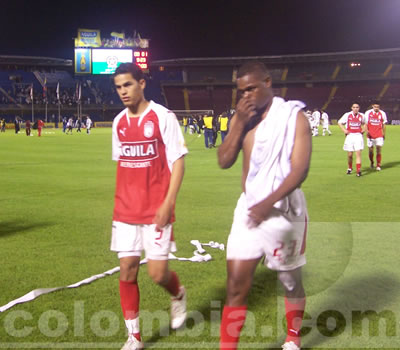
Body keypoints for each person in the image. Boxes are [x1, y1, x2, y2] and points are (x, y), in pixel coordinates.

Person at [217, 61, 311, 350]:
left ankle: (293, 339)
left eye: (251, 88)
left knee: (290, 282)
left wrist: (267, 203)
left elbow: (300, 170)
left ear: (268, 82)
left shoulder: (294, 118)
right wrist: (239, 124)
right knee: (235, 286)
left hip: (283, 214)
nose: (246, 95)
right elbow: (224, 160)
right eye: (241, 91)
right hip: (248, 210)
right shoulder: (242, 118)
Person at [111, 62, 188, 350]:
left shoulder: (163, 117)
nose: (123, 91)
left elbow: (178, 162)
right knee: (127, 269)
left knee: (157, 274)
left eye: (128, 84)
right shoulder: (119, 122)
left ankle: (178, 293)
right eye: (119, 87)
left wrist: (169, 202)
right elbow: (124, 165)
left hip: (157, 207)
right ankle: (134, 337)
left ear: (142, 83)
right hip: (125, 210)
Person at [338, 103, 365, 177]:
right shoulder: (347, 115)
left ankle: (358, 171)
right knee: (350, 155)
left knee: (358, 153)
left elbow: (366, 123)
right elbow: (339, 122)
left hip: (358, 136)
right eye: (354, 107)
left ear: (359, 108)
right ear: (351, 108)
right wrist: (344, 130)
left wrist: (364, 129)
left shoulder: (362, 115)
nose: (355, 108)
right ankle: (350, 167)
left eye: (357, 107)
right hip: (350, 136)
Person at [364, 102, 387, 171]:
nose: (376, 108)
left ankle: (378, 165)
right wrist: (366, 131)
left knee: (379, 149)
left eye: (378, 107)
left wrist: (384, 134)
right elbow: (365, 123)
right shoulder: (368, 113)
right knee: (371, 151)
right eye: (375, 107)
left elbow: (384, 124)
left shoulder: (382, 113)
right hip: (370, 134)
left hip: (379, 134)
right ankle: (372, 162)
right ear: (372, 106)